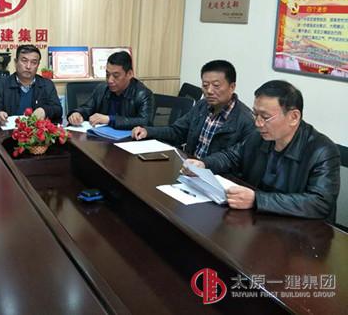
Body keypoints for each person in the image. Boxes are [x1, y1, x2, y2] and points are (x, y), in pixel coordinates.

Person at [183, 80, 340, 220]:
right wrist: (204, 164)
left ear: (294, 117)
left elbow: (320, 203)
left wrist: (257, 200)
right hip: (261, 219)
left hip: (302, 231)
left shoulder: (322, 151)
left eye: (265, 117)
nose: (258, 123)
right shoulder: (259, 136)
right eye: (255, 114)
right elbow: (232, 156)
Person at [131, 60, 254, 158]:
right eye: (205, 85)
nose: (209, 91)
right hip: (191, 169)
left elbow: (234, 159)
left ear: (232, 87)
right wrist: (148, 131)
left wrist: (205, 164)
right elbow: (177, 132)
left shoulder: (246, 120)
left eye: (216, 85)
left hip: (218, 177)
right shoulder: (202, 106)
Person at [67, 51, 153, 130]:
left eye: (116, 76)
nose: (110, 80)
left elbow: (145, 122)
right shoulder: (102, 89)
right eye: (107, 74)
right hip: (102, 137)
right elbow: (87, 108)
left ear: (129, 74)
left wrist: (109, 119)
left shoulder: (143, 94)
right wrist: (77, 114)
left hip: (129, 139)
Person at [0, 44, 62, 124]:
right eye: (24, 61)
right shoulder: (2, 84)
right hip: (10, 130)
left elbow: (58, 110)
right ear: (16, 62)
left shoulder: (47, 84)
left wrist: (45, 111)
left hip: (37, 130)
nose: (28, 66)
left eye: (34, 62)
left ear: (38, 65)